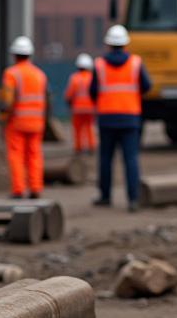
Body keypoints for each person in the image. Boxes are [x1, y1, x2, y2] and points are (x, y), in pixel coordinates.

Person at [90, 24, 151, 212]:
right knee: (131, 159)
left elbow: (93, 91)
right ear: (125, 44)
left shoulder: (99, 64)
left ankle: (105, 196)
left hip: (107, 118)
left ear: (109, 44)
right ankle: (133, 199)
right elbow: (146, 86)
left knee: (106, 159)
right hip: (130, 118)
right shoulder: (135, 63)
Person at [0, 35, 48, 199]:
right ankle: (35, 188)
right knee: (34, 155)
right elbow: (46, 99)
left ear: (14, 55)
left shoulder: (11, 74)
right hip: (36, 122)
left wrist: (3, 118)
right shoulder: (40, 75)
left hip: (17, 122)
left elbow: (8, 100)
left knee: (16, 155)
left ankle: (18, 189)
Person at [64, 53, 97, 155]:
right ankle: (91, 147)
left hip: (77, 109)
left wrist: (69, 104)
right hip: (90, 109)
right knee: (89, 128)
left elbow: (69, 94)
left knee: (77, 129)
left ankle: (78, 148)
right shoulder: (92, 78)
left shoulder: (74, 78)